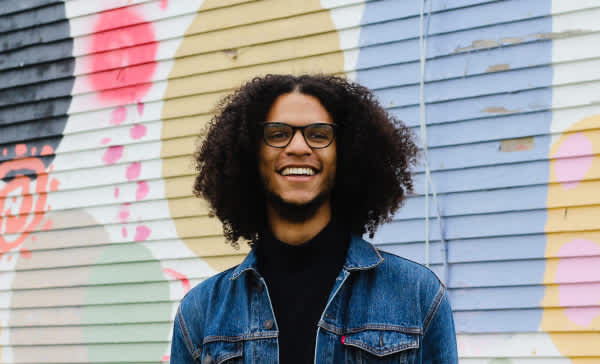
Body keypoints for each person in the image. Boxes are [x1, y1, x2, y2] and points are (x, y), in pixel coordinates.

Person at [170, 74, 458, 363]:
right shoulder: (200, 312)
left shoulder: (418, 295)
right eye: (278, 134)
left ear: (345, 154)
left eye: (319, 134)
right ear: (250, 155)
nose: (298, 147)